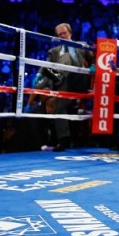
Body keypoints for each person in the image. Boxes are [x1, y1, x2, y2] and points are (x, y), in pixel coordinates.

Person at [32, 23, 94, 152]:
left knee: (61, 70)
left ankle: (44, 86)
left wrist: (93, 67)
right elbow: (47, 65)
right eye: (59, 35)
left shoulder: (81, 45)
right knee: (59, 106)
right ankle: (63, 140)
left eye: (64, 33)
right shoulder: (54, 51)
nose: (62, 36)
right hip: (63, 82)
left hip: (79, 80)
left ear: (70, 33)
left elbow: (94, 58)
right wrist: (39, 74)